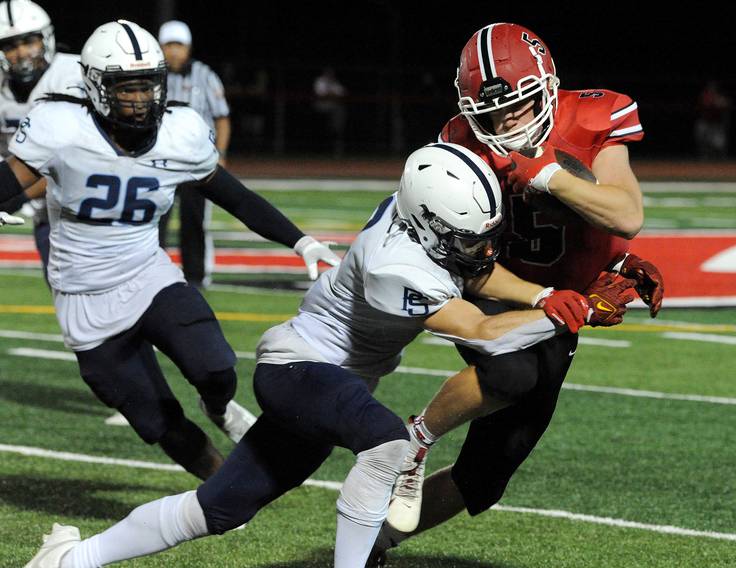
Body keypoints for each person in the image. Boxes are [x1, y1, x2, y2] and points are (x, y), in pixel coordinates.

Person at [23, 142, 635, 568]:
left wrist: (555, 295)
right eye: (467, 237)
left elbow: (474, 278)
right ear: (429, 223)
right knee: (390, 443)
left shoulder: (421, 218)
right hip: (297, 372)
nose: (479, 248)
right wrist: (568, 309)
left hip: (327, 381)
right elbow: (481, 328)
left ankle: (72, 557)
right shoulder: (394, 263)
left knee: (219, 510)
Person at [371, 22, 665, 563]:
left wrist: (551, 185)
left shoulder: (597, 115)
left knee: (486, 476)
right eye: (490, 113)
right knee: (514, 373)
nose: (505, 122)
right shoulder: (458, 141)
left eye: (520, 106)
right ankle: (410, 440)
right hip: (491, 282)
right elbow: (461, 257)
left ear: (549, 88)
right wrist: (539, 295)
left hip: (559, 297)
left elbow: (625, 213)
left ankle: (371, 541)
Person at [0, 20, 339, 483]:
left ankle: (218, 408)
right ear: (96, 87)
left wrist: (300, 240)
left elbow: (232, 195)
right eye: (127, 88)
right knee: (158, 422)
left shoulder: (180, 130)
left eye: (148, 86)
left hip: (148, 272)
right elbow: (12, 179)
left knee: (217, 368)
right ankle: (226, 493)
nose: (141, 99)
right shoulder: (61, 124)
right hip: (83, 294)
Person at [0, 0, 84, 281]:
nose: (21, 52)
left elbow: (77, 162)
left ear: (46, 38)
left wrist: (17, 197)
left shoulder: (75, 76)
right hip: (47, 218)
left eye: (28, 41)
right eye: (10, 45)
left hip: (90, 213)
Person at [155, 20, 231, 289]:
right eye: (169, 45)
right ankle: (153, 274)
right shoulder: (151, 73)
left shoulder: (204, 75)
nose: (174, 52)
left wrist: (220, 153)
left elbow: (222, 117)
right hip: (159, 160)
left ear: (188, 48)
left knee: (193, 220)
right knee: (154, 220)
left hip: (195, 161)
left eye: (179, 45)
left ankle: (196, 277)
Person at [313, 66, 347, 156]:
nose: (330, 74)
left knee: (337, 126)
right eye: (328, 72)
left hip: (334, 110)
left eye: (331, 72)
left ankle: (337, 150)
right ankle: (321, 149)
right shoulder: (320, 81)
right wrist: (332, 95)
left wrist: (329, 94)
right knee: (322, 130)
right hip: (321, 109)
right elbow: (321, 95)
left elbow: (342, 94)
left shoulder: (335, 82)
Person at [694, 80, 731, 159]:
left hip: (716, 123)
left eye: (713, 87)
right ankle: (704, 156)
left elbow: (726, 104)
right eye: (711, 87)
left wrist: (720, 102)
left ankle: (721, 158)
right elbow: (705, 104)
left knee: (719, 144)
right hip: (705, 122)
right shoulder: (705, 95)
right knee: (701, 137)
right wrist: (715, 102)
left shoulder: (720, 96)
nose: (712, 89)